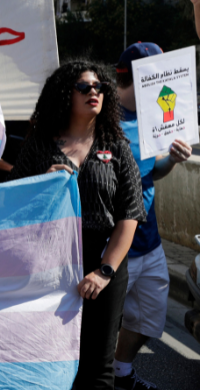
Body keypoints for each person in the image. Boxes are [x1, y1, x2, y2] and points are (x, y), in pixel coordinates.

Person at [8, 61, 146, 390]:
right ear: (65, 95)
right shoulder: (41, 145)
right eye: (84, 87)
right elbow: (14, 203)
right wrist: (44, 184)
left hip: (103, 262)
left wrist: (105, 271)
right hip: (49, 265)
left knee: (98, 366)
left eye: (99, 87)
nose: (93, 92)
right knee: (49, 355)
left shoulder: (116, 145)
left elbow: (130, 213)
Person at [112, 43, 193, 390]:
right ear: (133, 77)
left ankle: (121, 373)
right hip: (113, 248)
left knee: (148, 321)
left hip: (151, 243)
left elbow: (151, 173)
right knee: (93, 325)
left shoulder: (154, 117)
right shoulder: (101, 119)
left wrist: (172, 160)